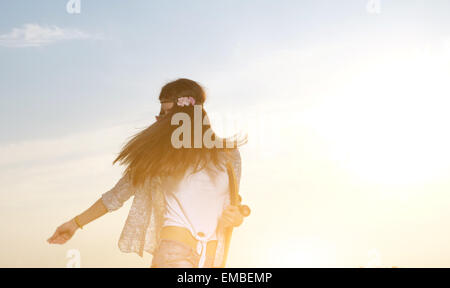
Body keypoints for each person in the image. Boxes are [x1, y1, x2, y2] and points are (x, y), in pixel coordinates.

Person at [47, 78, 247, 268]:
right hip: (174, 253)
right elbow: (115, 197)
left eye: (166, 113)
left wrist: (235, 217)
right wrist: (75, 223)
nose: (159, 119)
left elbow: (232, 207)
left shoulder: (229, 157)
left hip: (211, 260)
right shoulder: (159, 157)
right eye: (160, 112)